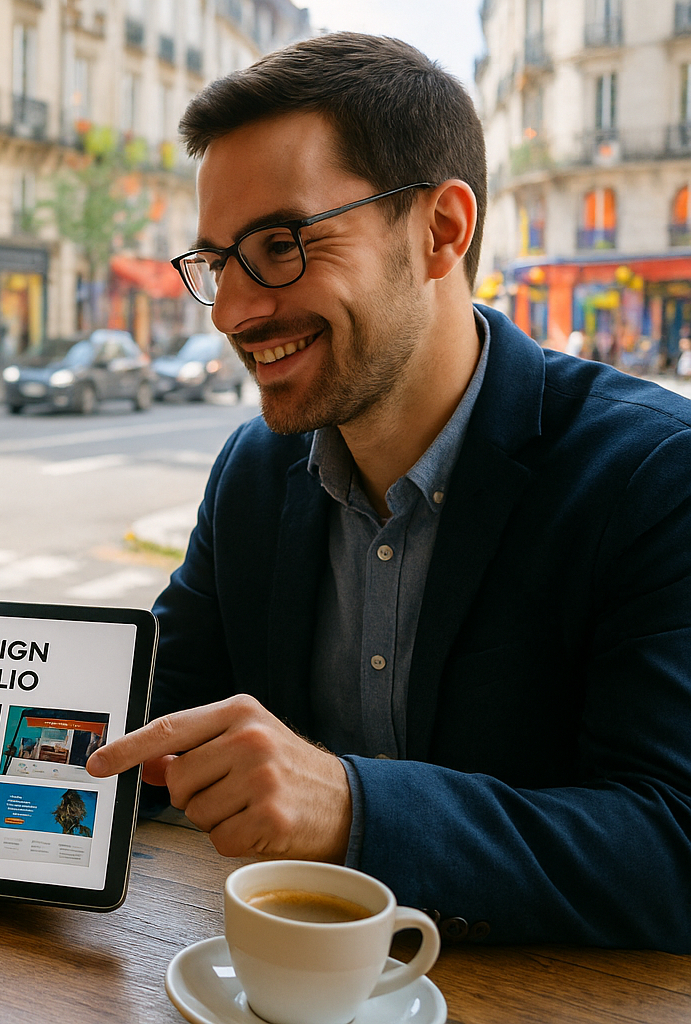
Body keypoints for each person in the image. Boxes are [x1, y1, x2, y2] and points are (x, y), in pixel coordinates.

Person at [86, 33, 691, 952]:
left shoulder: (652, 474)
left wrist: (355, 809)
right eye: (217, 261)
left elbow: (671, 846)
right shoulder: (254, 474)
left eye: (282, 245)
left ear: (442, 230)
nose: (240, 311)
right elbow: (152, 724)